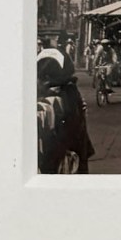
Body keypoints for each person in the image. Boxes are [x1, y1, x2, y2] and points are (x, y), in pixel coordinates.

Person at [37, 40, 94, 173]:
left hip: (61, 162)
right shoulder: (71, 91)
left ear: (46, 78)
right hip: (76, 157)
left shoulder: (54, 99)